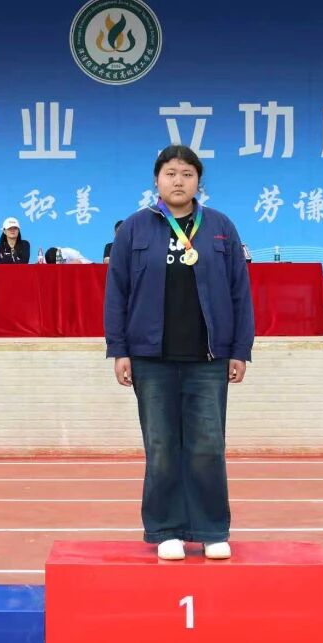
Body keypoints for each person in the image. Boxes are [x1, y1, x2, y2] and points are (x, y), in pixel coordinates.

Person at [103, 144, 255, 561]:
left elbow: (240, 291)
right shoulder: (134, 229)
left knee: (208, 446)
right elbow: (116, 293)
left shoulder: (220, 227)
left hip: (208, 359)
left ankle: (210, 529)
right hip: (151, 358)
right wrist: (119, 349)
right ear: (156, 180)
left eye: (187, 174)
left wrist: (240, 349)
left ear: (198, 182)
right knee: (161, 447)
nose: (178, 181)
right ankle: (165, 530)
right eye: (170, 173)